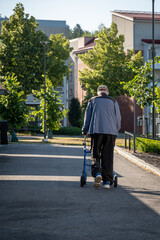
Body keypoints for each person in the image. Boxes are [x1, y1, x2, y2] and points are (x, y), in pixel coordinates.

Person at [82, 85, 121, 189]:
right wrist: (116, 129)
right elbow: (118, 118)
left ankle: (97, 174)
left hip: (97, 131)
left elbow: (88, 116)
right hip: (111, 133)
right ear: (107, 92)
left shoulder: (92, 100)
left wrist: (85, 130)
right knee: (108, 156)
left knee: (95, 153)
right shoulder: (113, 101)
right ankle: (107, 182)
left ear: (98, 92)